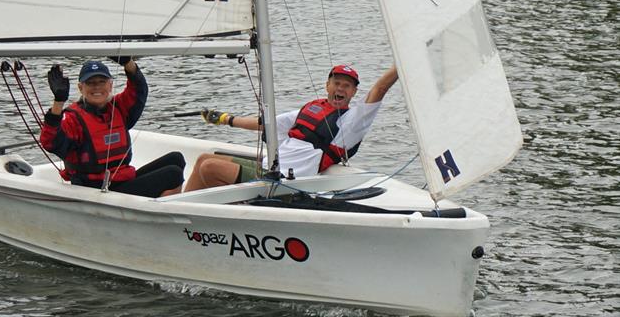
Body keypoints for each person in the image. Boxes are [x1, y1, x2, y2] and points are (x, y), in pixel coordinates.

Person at [184, 63, 398, 191]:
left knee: (209, 168)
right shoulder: (311, 108)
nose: (340, 89)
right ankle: (180, 207)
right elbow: (264, 123)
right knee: (204, 158)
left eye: (346, 86)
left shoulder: (353, 121)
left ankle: (190, 215)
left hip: (286, 182)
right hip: (270, 168)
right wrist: (224, 119)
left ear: (353, 93)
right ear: (327, 86)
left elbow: (380, 88)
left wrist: (402, 62)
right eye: (336, 83)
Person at [40, 57, 185, 197]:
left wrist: (128, 62)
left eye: (102, 82)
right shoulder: (73, 118)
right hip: (95, 190)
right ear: (80, 88)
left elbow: (139, 89)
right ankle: (161, 215)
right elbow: (51, 142)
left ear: (110, 85)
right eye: (90, 83)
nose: (97, 87)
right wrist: (58, 102)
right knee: (173, 174)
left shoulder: (119, 107)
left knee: (176, 159)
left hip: (121, 181)